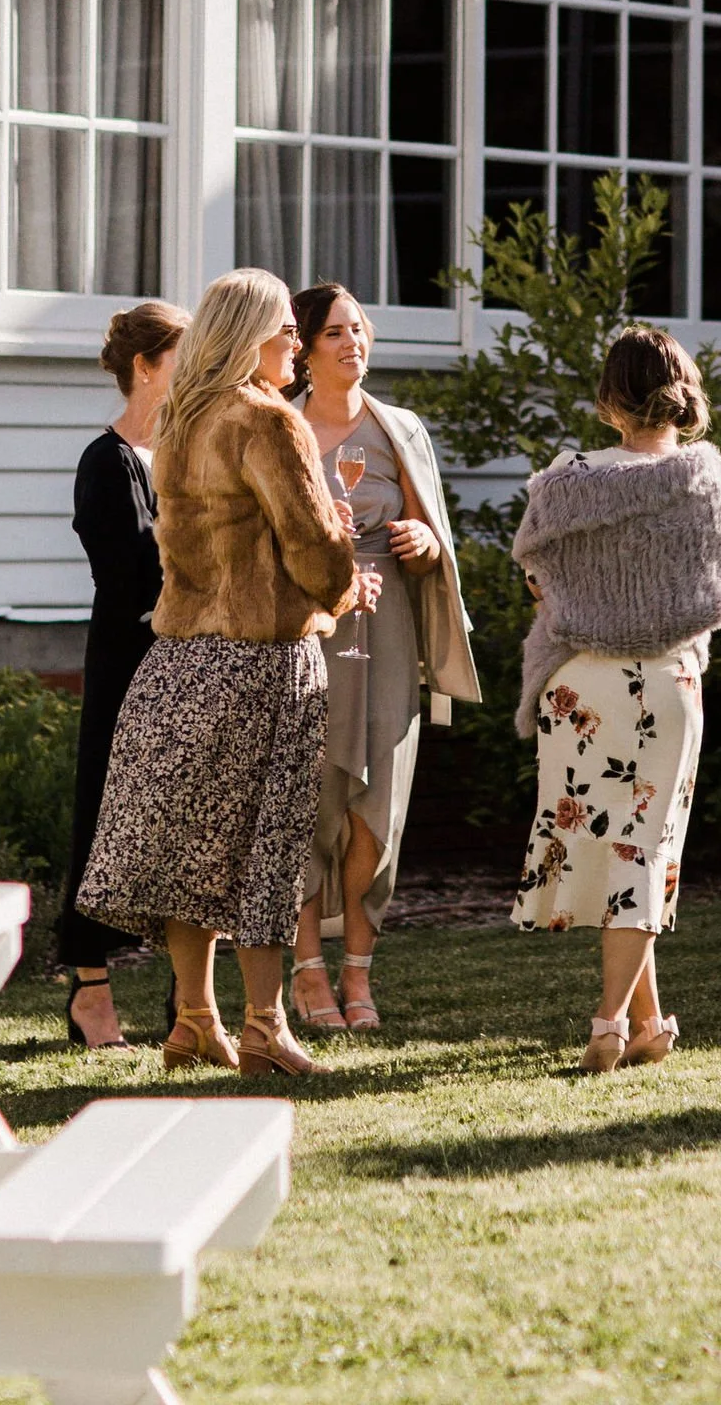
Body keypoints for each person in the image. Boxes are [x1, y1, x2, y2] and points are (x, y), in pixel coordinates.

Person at [76, 268, 365, 1078]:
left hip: (178, 661)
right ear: (251, 337)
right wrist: (345, 584)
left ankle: (195, 1019)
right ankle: (266, 1026)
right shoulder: (267, 420)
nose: (297, 351)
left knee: (193, 850)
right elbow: (313, 547)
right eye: (287, 335)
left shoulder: (180, 418)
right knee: (267, 847)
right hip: (261, 659)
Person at [509, 326, 721, 1072]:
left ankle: (642, 1023)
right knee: (644, 846)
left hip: (580, 683)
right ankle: (615, 1023)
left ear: (611, 397)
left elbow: (536, 579)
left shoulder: (565, 480)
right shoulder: (711, 481)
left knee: (611, 845)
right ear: (683, 393)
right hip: (666, 682)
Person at [284, 281, 481, 1036]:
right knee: (310, 802)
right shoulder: (282, 428)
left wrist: (425, 542)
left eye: (359, 329)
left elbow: (434, 543)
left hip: (389, 628)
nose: (353, 343)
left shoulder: (401, 428)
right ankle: (308, 972)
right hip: (308, 629)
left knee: (379, 810)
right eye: (335, 332)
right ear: (304, 348)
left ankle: (359, 973)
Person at [57, 297, 189, 1051]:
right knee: (105, 819)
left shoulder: (188, 452)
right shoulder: (104, 462)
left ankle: (190, 998)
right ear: (145, 367)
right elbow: (131, 575)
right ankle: (91, 991)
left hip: (188, 660)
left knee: (185, 824)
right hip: (127, 665)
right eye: (181, 359)